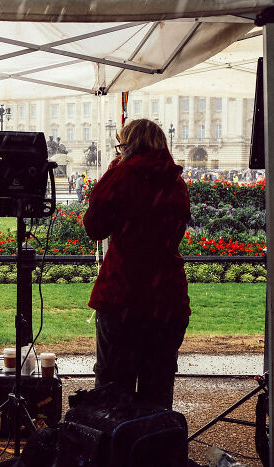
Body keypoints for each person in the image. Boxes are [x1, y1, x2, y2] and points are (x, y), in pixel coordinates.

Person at [83, 118, 190, 409]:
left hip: (124, 294)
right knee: (158, 387)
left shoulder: (123, 176)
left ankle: (116, 451)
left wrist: (111, 173)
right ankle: (152, 449)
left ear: (129, 146)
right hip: (167, 297)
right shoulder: (176, 182)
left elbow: (95, 227)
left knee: (113, 387)